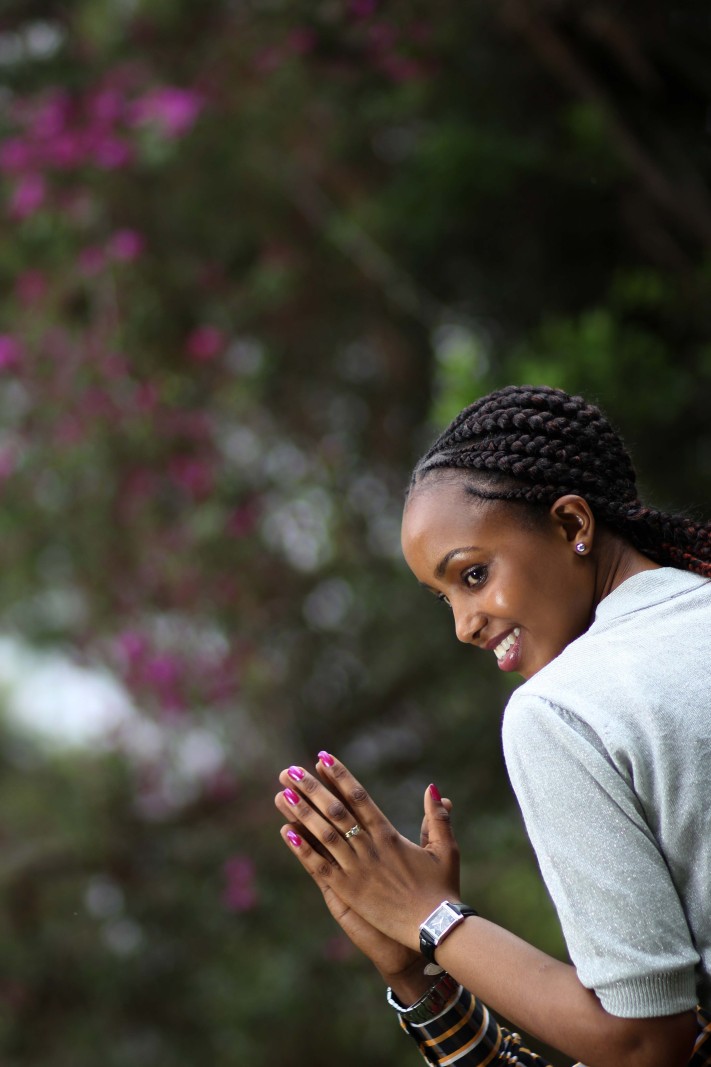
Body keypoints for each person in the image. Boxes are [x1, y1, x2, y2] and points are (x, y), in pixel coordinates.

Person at [274, 384, 711, 1067]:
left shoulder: (562, 709)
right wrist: (416, 972)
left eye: (473, 574)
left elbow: (646, 1045)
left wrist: (431, 917)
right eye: (444, 596)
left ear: (571, 525)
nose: (463, 624)